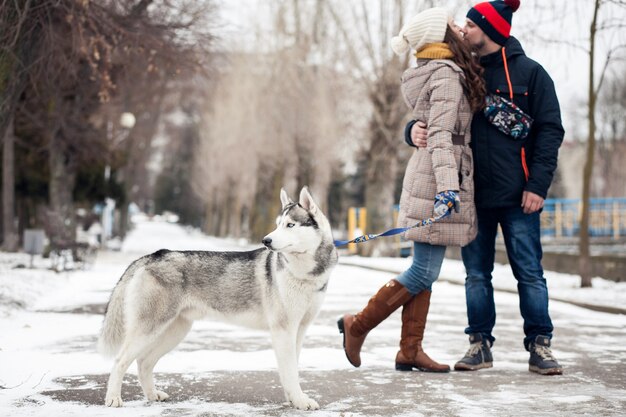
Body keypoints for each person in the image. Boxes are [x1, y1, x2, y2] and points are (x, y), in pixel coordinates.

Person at [407, 0, 565, 375]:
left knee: (529, 272)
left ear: (490, 30)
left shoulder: (532, 74)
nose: (463, 30)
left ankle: (540, 346)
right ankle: (479, 345)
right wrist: (410, 132)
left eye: (470, 24)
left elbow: (551, 132)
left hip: (519, 196)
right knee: (476, 276)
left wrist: (538, 186)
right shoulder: (459, 72)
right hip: (470, 196)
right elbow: (431, 114)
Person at [338, 7, 485, 373]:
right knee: (422, 271)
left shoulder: (435, 70)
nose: (459, 28)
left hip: (431, 175)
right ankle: (356, 325)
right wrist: (448, 188)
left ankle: (409, 350)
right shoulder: (448, 76)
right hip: (437, 179)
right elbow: (438, 135)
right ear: (441, 37)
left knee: (425, 269)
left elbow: (432, 130)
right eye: (453, 24)